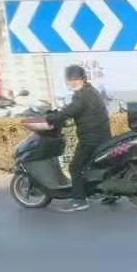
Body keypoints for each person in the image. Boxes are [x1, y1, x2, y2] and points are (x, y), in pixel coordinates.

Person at [47, 64, 111, 213]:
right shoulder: (92, 91)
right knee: (93, 166)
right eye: (70, 80)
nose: (72, 83)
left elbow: (69, 111)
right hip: (102, 136)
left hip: (90, 140)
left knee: (75, 167)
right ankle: (107, 193)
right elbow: (76, 111)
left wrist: (50, 118)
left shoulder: (81, 95)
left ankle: (79, 200)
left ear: (82, 79)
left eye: (75, 80)